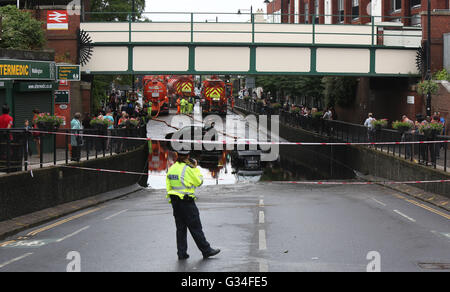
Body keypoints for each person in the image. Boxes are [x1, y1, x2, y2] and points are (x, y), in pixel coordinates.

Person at [166, 150, 220, 260]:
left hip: (175, 203)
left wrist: (172, 200)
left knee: (180, 229)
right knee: (195, 227)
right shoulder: (188, 169)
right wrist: (195, 168)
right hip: (187, 202)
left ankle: (182, 253)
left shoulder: (172, 168)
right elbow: (199, 182)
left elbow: (168, 185)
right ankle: (206, 250)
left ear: (177, 156)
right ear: (188, 156)